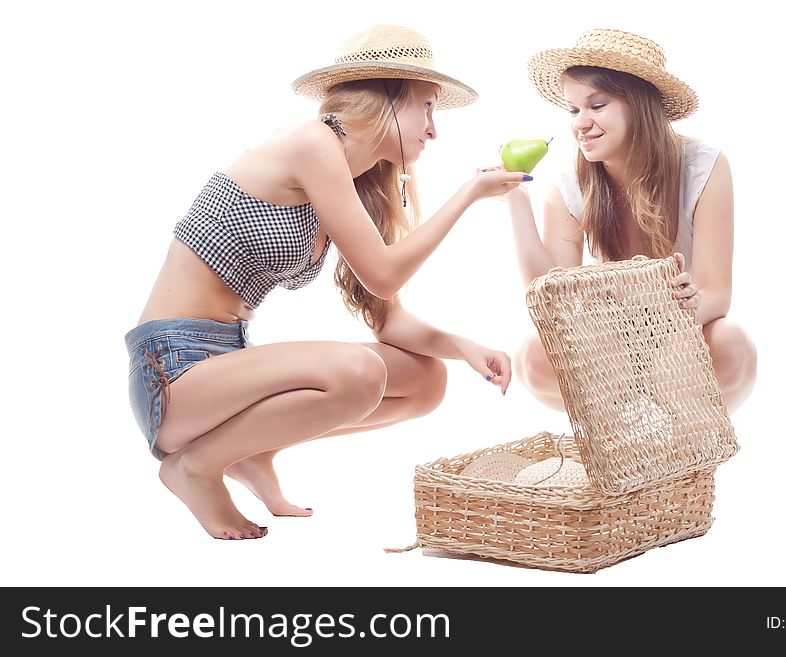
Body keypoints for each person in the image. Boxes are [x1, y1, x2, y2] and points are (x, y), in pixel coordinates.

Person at [124, 24, 528, 540]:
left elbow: (388, 315)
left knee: (426, 382)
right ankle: (195, 465)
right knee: (358, 372)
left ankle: (252, 449)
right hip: (173, 370)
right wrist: (469, 193)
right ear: (385, 100)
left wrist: (463, 347)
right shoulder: (312, 143)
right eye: (426, 106)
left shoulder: (358, 181)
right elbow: (382, 276)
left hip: (226, 367)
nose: (433, 129)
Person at [505, 28, 756, 413]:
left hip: (683, 332)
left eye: (597, 105)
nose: (580, 123)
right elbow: (549, 298)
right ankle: (625, 434)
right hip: (611, 342)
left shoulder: (702, 166)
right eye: (574, 110)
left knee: (732, 343)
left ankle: (685, 443)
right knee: (533, 357)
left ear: (638, 105)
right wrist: (516, 200)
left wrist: (690, 304)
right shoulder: (572, 184)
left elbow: (718, 291)